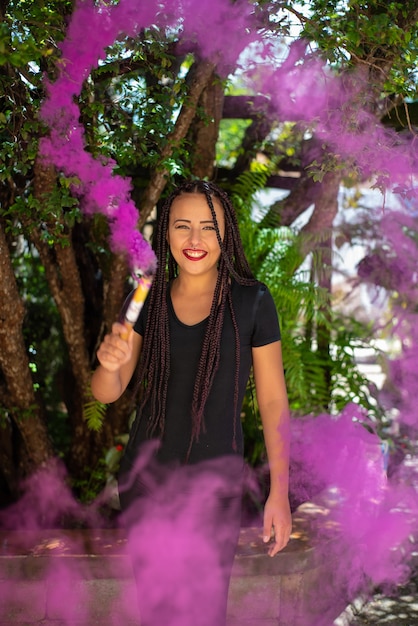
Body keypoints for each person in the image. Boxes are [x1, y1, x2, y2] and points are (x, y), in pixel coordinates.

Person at [91, 180, 291, 626]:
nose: (195, 240)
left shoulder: (252, 301)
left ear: (226, 233)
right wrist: (108, 362)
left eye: (208, 227)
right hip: (147, 481)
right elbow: (107, 390)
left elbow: (274, 401)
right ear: (166, 232)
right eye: (183, 227)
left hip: (214, 484)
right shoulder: (146, 300)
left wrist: (280, 491)